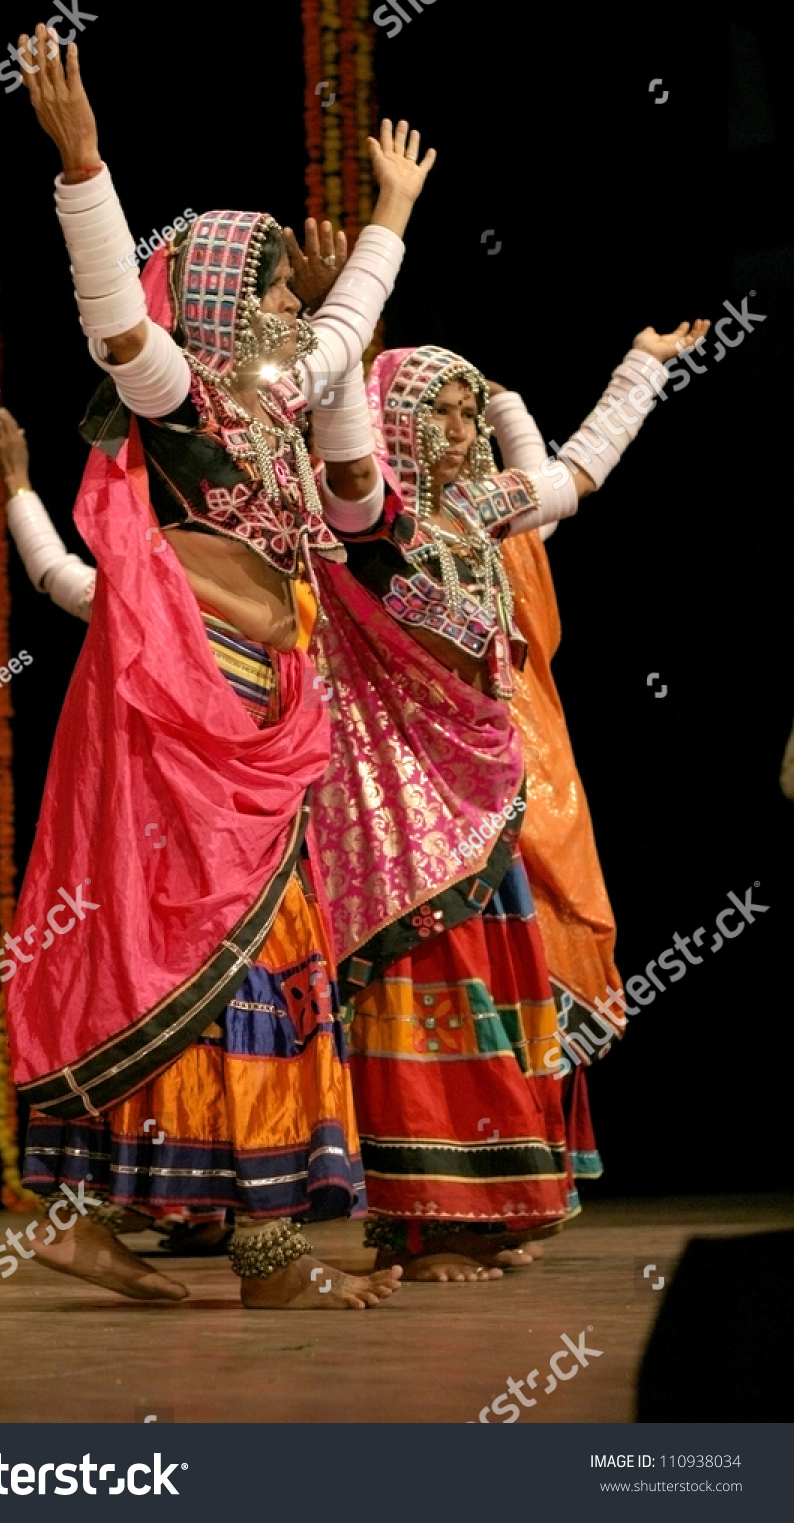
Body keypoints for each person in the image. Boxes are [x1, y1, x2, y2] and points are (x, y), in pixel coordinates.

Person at [3, 20, 434, 1309]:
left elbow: (350, 382)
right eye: (265, 288)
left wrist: (388, 219)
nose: (287, 306)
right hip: (200, 716)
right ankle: (264, 1257)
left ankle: (112, 1216)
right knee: (214, 958)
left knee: (245, 959)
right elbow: (117, 325)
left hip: (274, 711)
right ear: (214, 302)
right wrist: (85, 168)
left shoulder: (283, 400)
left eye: (289, 296)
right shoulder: (184, 396)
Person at [309, 319, 709, 1282]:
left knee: (494, 1001)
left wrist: (640, 368)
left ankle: (488, 1207)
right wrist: (339, 346)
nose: (457, 431)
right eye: (435, 414)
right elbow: (348, 463)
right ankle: (427, 1221)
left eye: (463, 412)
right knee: (422, 1003)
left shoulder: (483, 510)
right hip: (400, 810)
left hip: (488, 796)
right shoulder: (366, 524)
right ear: (390, 426)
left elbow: (578, 472)